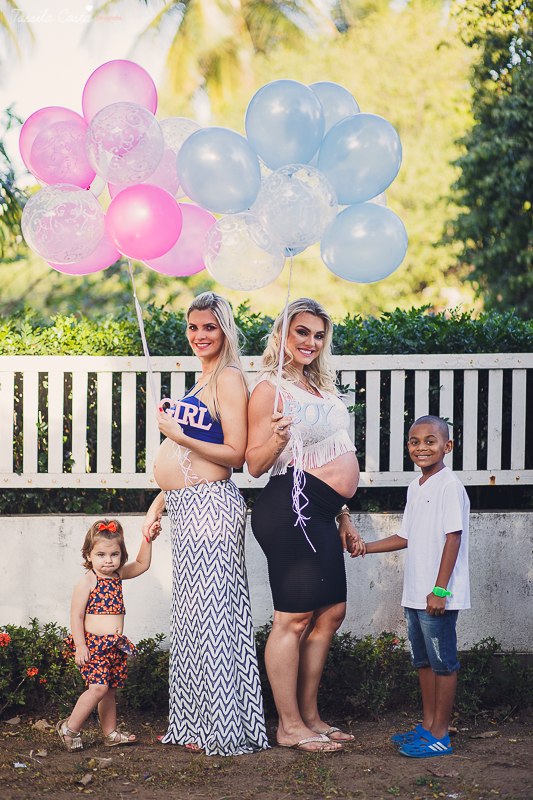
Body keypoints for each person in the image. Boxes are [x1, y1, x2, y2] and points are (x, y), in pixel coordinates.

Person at [142, 291, 269, 757]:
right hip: (186, 507)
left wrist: (175, 434)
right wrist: (160, 502)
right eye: (194, 327)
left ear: (225, 329)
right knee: (193, 619)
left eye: (209, 327)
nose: (200, 336)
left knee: (216, 617)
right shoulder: (201, 380)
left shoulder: (231, 379)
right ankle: (196, 722)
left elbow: (233, 454)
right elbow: (186, 456)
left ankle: (225, 727)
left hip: (212, 508)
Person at [246, 297, 364, 752]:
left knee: (330, 613)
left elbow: (336, 453)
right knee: (293, 619)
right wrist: (275, 439)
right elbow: (254, 466)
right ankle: (289, 725)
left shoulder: (322, 389)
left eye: (318, 334)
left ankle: (311, 716)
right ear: (282, 334)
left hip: (324, 509)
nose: (311, 342)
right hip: (289, 507)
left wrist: (344, 515)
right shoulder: (268, 389)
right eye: (302, 332)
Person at [350, 415, 470, 758]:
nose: (422, 447)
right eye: (414, 441)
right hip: (415, 593)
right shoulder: (416, 487)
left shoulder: (449, 485)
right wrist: (366, 547)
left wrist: (441, 590)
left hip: (438, 595)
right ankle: (428, 725)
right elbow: (406, 536)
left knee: (443, 663)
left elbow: (453, 538)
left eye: (431, 441)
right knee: (424, 662)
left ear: (447, 446)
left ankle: (441, 735)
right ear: (408, 447)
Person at [58, 518, 159, 751]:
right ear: (88, 555)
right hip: (93, 645)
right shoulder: (88, 581)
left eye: (114, 554)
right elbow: (77, 617)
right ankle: (69, 729)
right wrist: (80, 646)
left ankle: (110, 733)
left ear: (121, 556)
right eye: (101, 554)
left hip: (114, 646)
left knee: (109, 690)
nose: (108, 560)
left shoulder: (118, 576)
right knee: (98, 688)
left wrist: (148, 539)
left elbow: (143, 563)